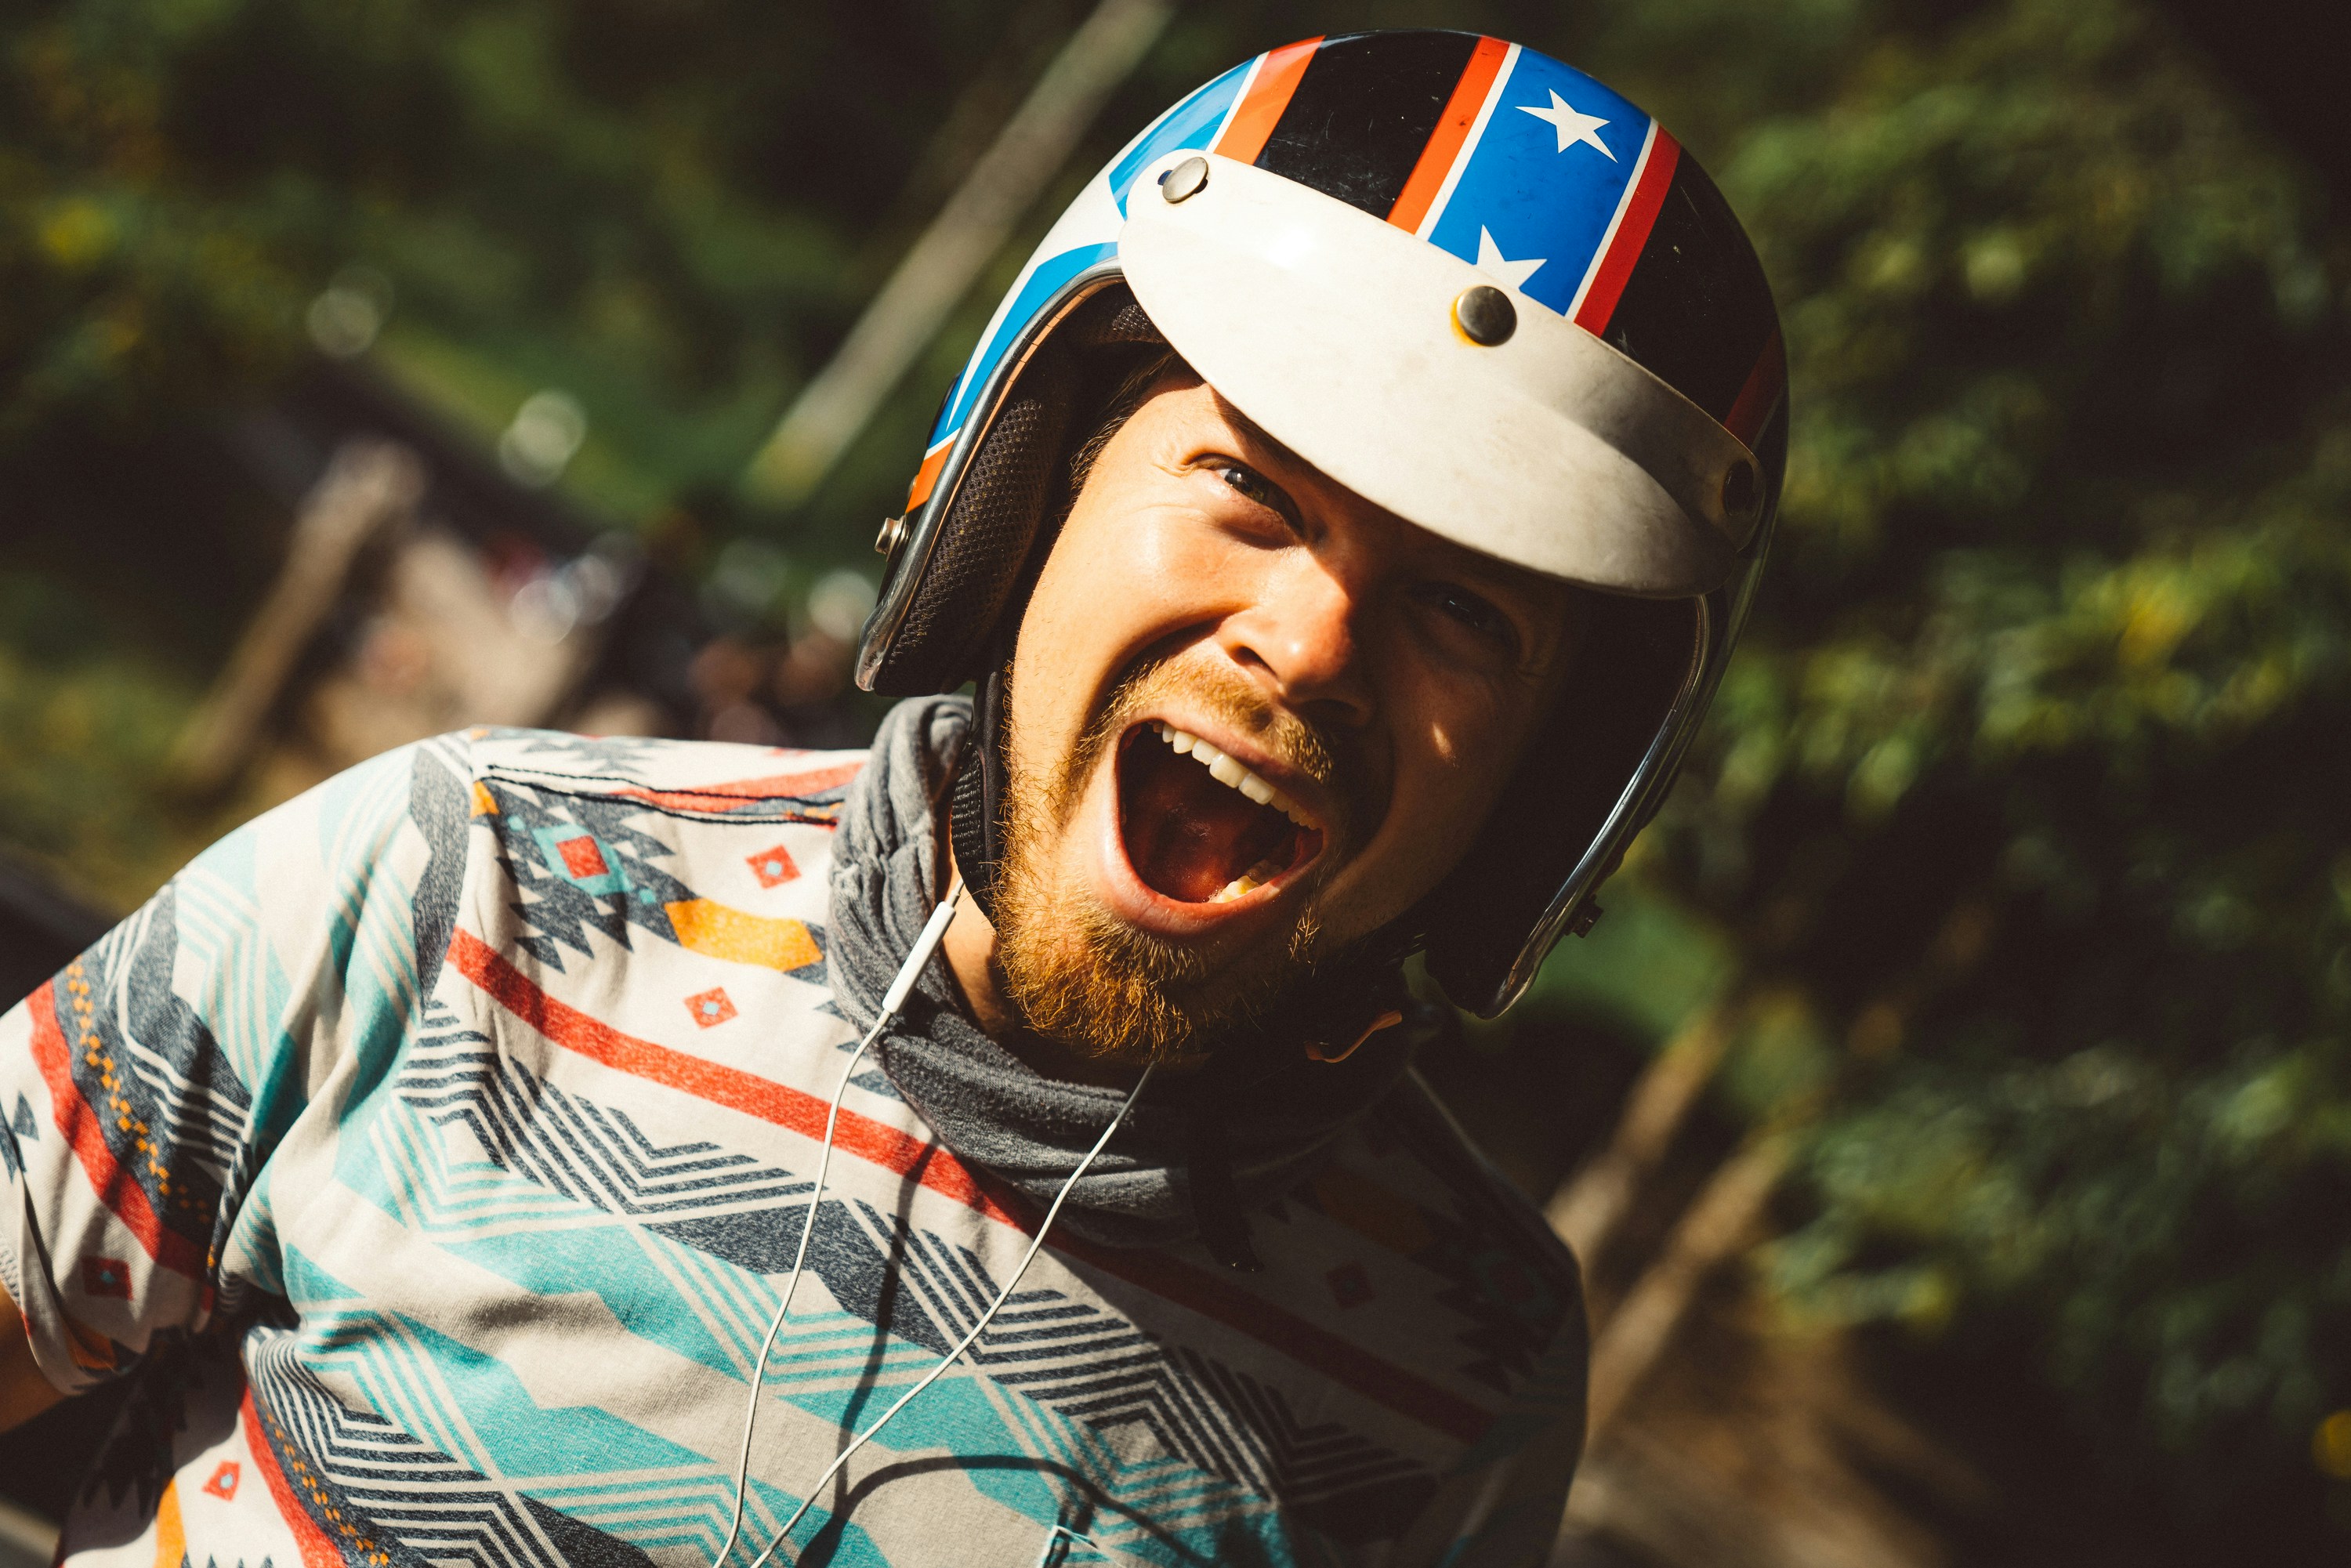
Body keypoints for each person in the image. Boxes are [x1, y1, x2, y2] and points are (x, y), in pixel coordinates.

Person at [0, 29, 1783, 1568]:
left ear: (1556, 794)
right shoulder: (470, 888)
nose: (1311, 640)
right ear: (1026, 493)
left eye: (1466, 607)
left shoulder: (1466, 1369)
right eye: (1247, 484)